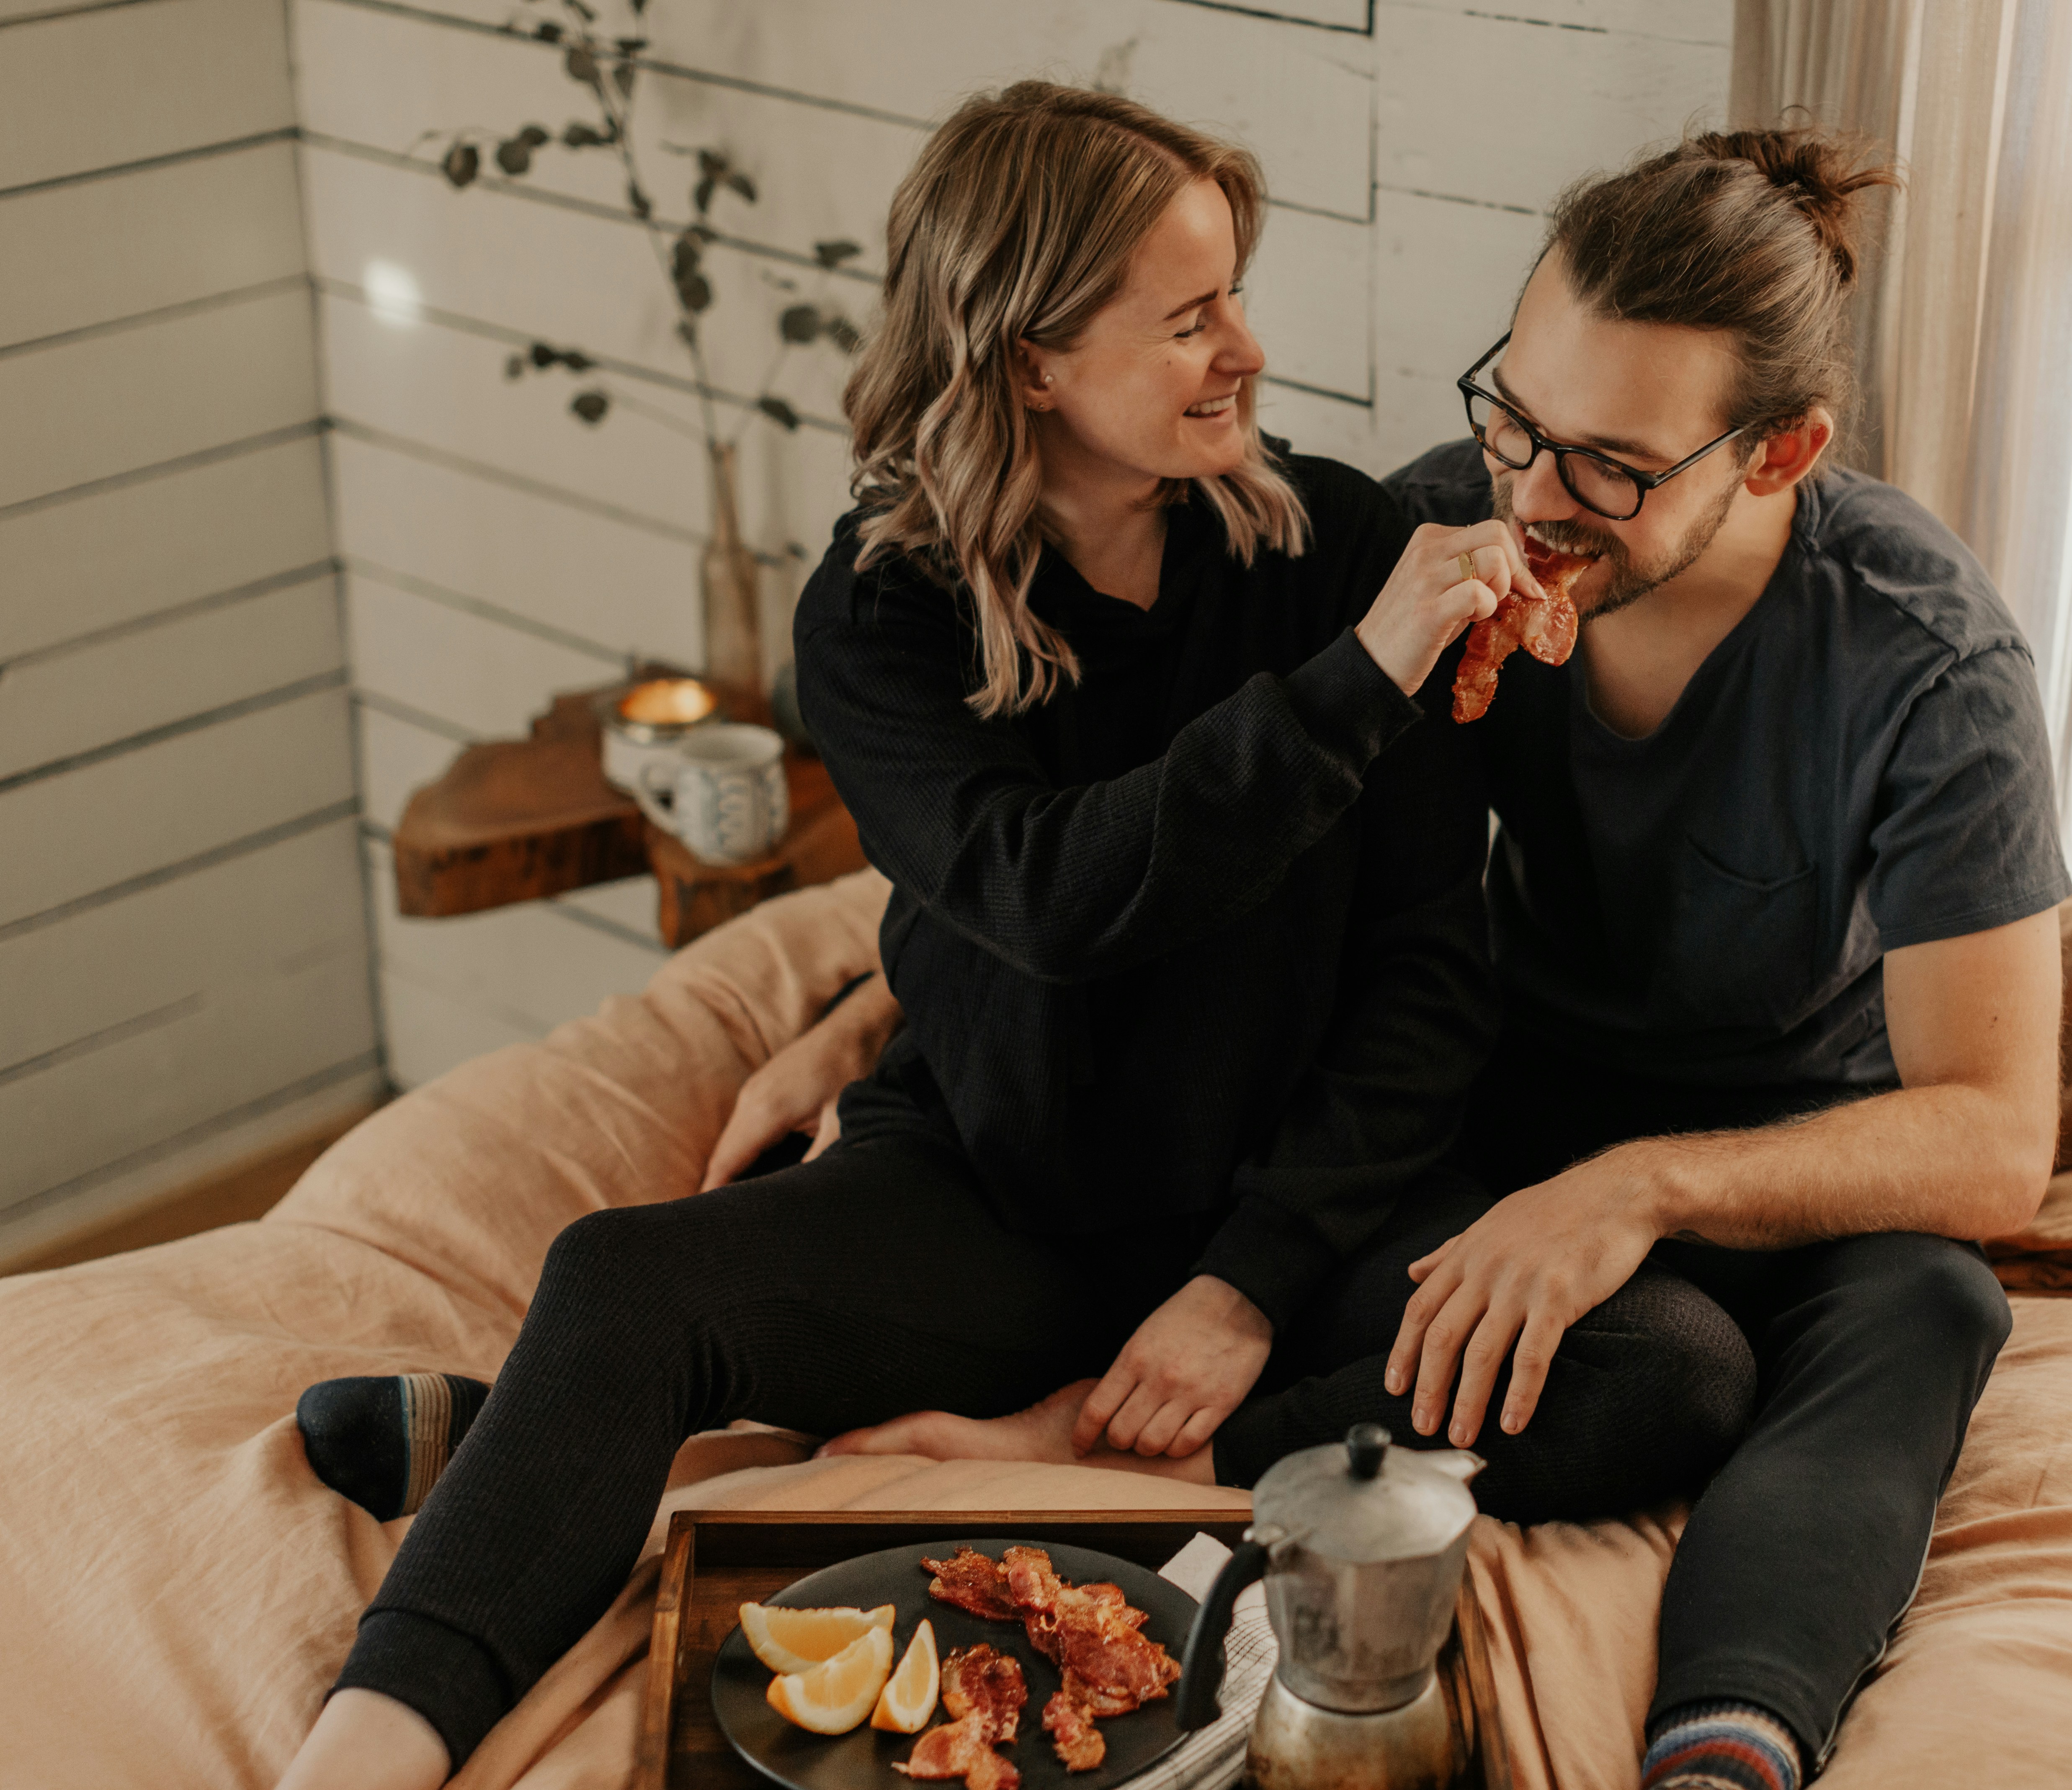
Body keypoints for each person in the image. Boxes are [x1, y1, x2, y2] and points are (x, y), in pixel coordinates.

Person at [272, 84, 1750, 1790]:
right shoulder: (879, 620)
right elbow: (1052, 899)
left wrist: (1243, 1290)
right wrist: (1354, 683)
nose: (1245, 350)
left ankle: (1046, 1441)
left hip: (1299, 1211)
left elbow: (1429, 975)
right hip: (995, 1200)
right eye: (1191, 317)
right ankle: (361, 1753)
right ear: (1029, 360)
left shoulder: (1342, 549)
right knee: (621, 1280)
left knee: (1669, 1362)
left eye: (1235, 296)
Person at [742, 124, 2072, 1790]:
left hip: (1792, 1155)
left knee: (1932, 1308)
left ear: (1781, 448)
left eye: (1607, 464)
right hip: (1487, 1117)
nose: (1529, 495)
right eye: (1513, 415)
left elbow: (1995, 1137)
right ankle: (1079, 1439)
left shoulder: (1923, 664)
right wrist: (881, 994)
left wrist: (1637, 1192)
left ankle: (1724, 1749)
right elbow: (1177, 844)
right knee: (1315, 1235)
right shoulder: (1427, 544)